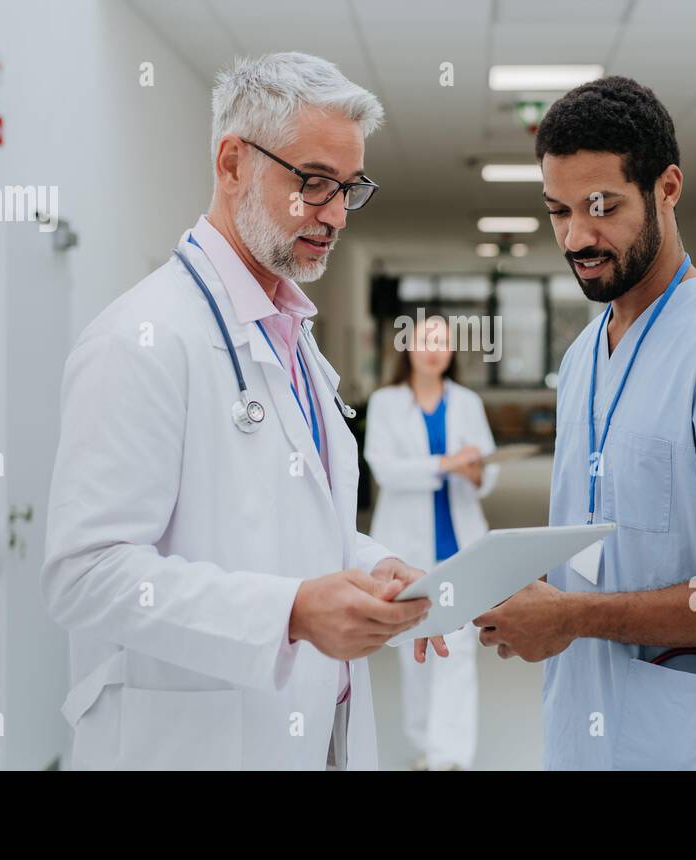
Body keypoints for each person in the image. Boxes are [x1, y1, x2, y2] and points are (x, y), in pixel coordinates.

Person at [41, 52, 445, 771]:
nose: (334, 214)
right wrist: (288, 612)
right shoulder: (144, 339)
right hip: (193, 744)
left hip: (314, 731)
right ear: (234, 164)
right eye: (314, 182)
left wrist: (378, 565)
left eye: (349, 189)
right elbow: (85, 575)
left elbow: (291, 529)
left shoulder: (289, 337)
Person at [473, 75, 696, 770]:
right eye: (558, 210)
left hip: (691, 742)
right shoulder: (582, 359)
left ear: (668, 188)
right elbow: (596, 538)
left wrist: (576, 617)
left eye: (601, 206)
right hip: (582, 731)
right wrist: (527, 593)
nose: (577, 236)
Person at [364, 315, 499, 770]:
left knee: (458, 649)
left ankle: (451, 756)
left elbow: (487, 468)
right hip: (406, 548)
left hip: (458, 544)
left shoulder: (466, 402)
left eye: (442, 342)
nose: (434, 350)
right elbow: (385, 470)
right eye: (425, 341)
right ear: (407, 349)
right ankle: (425, 744)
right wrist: (445, 462)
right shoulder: (385, 403)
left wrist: (474, 470)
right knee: (415, 645)